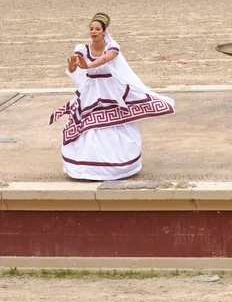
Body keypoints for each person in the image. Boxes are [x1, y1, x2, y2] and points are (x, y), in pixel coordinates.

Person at [49, 13, 175, 181]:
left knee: (116, 125)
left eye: (97, 29)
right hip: (91, 92)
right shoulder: (82, 49)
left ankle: (118, 166)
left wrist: (89, 65)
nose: (93, 32)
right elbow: (78, 68)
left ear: (104, 31)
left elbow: (104, 60)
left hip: (110, 91)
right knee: (88, 125)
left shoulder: (112, 47)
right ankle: (86, 167)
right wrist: (73, 68)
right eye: (91, 29)